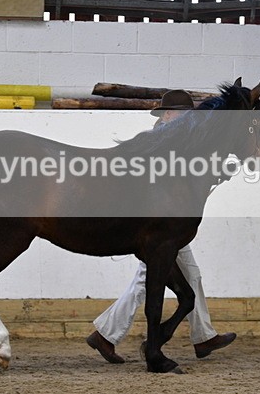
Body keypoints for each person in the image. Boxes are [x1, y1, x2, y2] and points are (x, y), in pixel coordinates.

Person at [86, 89, 237, 364]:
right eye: (182, 113)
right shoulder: (162, 138)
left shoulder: (179, 137)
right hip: (158, 226)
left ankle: (203, 336)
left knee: (189, 275)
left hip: (170, 223)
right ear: (168, 114)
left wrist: (217, 173)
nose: (188, 118)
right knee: (147, 280)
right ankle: (108, 335)